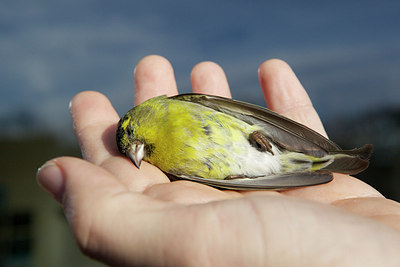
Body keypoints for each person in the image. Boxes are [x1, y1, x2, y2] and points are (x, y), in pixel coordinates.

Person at [37, 55, 400, 266]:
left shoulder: (174, 105)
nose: (134, 153)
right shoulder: (162, 162)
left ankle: (329, 157)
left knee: (318, 159)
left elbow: (235, 111)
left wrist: (263, 133)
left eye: (129, 136)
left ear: (138, 116)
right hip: (247, 170)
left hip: (255, 136)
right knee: (312, 165)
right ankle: (325, 161)